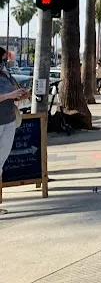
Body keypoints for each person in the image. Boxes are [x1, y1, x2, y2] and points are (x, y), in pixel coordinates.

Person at [0, 47, 30, 214]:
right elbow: (7, 95)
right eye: (2, 59)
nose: (4, 62)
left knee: (0, 163)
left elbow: (12, 94)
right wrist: (10, 96)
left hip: (8, 120)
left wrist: (21, 95)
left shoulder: (6, 75)